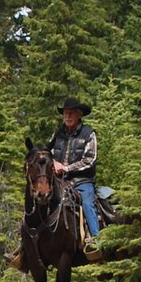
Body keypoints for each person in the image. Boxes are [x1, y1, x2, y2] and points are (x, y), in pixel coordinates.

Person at [48, 96, 101, 257]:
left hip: (81, 181)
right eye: (65, 113)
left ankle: (95, 240)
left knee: (87, 202)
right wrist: (54, 163)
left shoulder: (88, 134)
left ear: (79, 115)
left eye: (71, 113)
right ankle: (26, 246)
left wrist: (66, 168)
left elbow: (89, 160)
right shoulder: (57, 133)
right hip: (58, 181)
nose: (68, 116)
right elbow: (47, 152)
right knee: (38, 199)